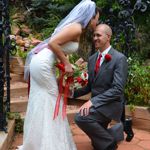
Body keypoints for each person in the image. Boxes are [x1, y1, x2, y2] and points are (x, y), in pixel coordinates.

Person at [18, 0, 100, 150]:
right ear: (90, 17)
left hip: (42, 61)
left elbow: (59, 46)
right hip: (43, 63)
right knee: (53, 99)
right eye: (96, 19)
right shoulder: (76, 28)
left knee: (42, 99)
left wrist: (65, 64)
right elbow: (53, 43)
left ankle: (37, 143)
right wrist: (67, 64)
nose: (97, 22)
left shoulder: (74, 26)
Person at [73, 24, 128, 150]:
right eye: (94, 35)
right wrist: (71, 93)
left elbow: (117, 90)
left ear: (108, 37)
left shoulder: (119, 59)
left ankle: (110, 144)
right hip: (98, 106)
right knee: (97, 145)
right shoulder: (92, 59)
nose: (95, 38)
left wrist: (92, 101)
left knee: (81, 117)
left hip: (111, 105)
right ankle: (115, 132)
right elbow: (89, 87)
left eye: (98, 35)